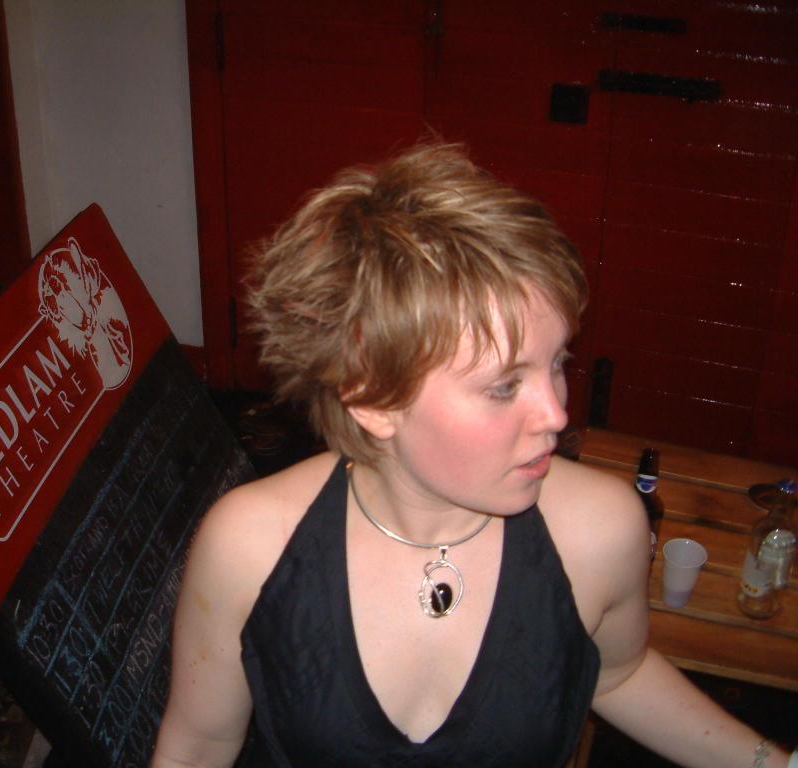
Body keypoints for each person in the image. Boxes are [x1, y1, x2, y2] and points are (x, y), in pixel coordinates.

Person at [151, 144, 794, 767]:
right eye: (504, 386)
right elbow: (196, 748)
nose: (557, 414)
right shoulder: (249, 547)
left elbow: (616, 673)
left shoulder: (600, 531)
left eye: (557, 362)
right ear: (372, 398)